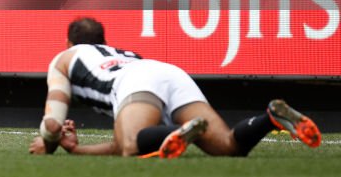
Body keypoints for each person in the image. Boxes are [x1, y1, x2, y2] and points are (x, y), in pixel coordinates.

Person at [29, 17, 322, 158]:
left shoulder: (64, 59)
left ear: (68, 43)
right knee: (228, 147)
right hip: (167, 72)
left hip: (135, 83)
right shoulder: (124, 54)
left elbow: (53, 121)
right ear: (105, 41)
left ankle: (182, 130)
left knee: (133, 145)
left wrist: (50, 143)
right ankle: (269, 118)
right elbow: (122, 145)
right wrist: (76, 150)